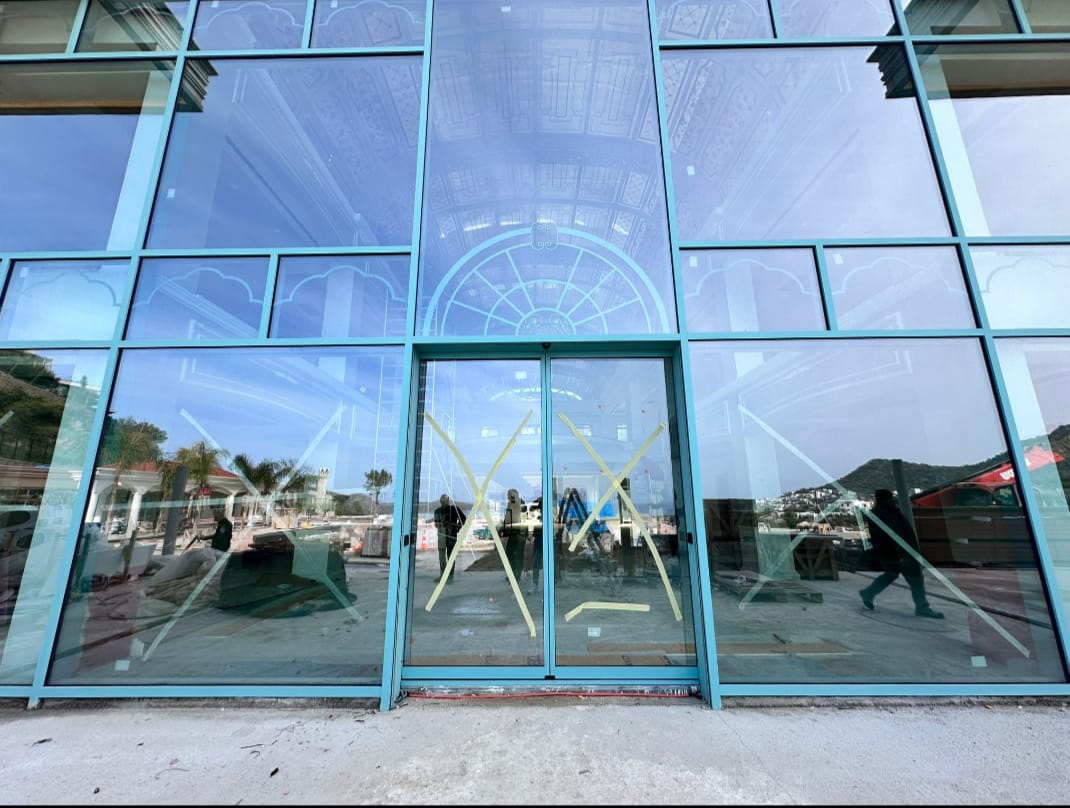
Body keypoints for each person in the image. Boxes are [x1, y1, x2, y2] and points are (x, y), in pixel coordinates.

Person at [859, 489, 943, 618]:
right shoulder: (889, 513)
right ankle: (922, 607)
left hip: (887, 553)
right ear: (888, 499)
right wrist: (904, 555)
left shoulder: (876, 513)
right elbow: (896, 535)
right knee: (916, 579)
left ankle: (868, 593)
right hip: (900, 553)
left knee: (891, 574)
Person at [433, 494, 465, 583]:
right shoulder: (437, 511)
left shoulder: (454, 509)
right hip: (442, 536)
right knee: (442, 556)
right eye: (442, 500)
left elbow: (463, 518)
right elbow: (436, 523)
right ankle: (443, 575)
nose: (443, 502)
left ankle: (450, 576)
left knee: (450, 556)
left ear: (448, 501)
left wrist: (456, 528)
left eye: (445, 500)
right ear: (440, 501)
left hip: (451, 536)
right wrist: (442, 525)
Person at [501, 488, 527, 583]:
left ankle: (517, 576)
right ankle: (513, 574)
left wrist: (523, 533)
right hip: (513, 533)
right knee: (510, 554)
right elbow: (508, 517)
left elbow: (524, 518)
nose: (508, 498)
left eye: (509, 495)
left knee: (517, 555)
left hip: (519, 534)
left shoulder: (520, 504)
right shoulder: (510, 505)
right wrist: (504, 529)